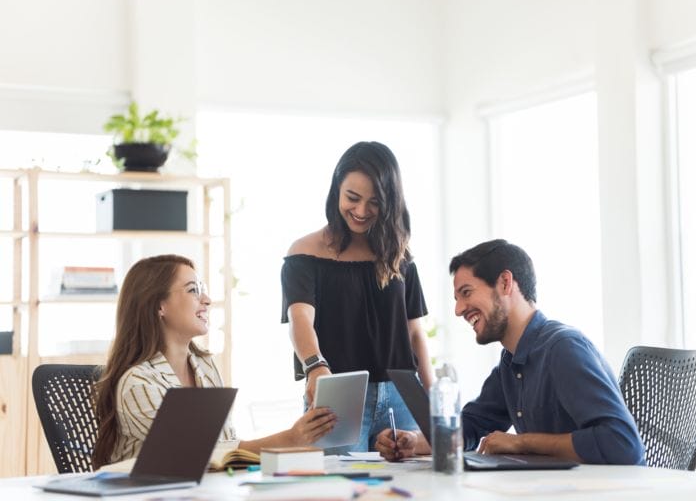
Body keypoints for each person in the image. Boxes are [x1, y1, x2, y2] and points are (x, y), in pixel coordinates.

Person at [375, 239, 645, 465]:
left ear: (505, 283)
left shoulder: (563, 349)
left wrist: (521, 443)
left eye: (466, 292)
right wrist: (413, 441)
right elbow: (471, 425)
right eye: (457, 299)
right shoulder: (511, 363)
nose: (458, 310)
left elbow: (622, 444)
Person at [92, 255, 336, 469]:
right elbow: (196, 456)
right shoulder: (138, 383)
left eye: (203, 289)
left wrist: (294, 443)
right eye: (193, 290)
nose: (207, 300)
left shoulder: (204, 367)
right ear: (159, 305)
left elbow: (225, 445)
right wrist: (289, 440)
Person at [281, 141, 434, 452]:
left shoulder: (399, 256)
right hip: (339, 395)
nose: (361, 211)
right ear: (337, 188)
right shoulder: (304, 254)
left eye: (374, 202)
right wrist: (315, 367)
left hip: (404, 394)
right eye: (353, 198)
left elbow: (415, 333)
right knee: (338, 490)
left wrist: (432, 400)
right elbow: (300, 319)